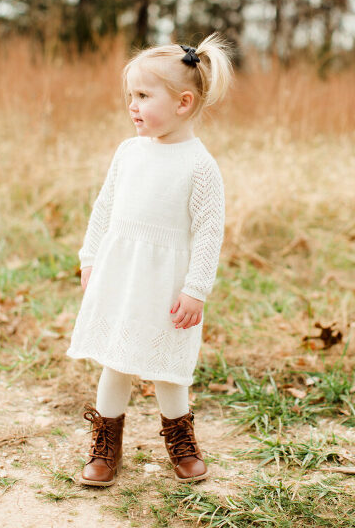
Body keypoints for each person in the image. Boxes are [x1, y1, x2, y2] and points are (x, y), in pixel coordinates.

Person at [67, 33, 234, 486]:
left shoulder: (200, 166)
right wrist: (89, 258)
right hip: (122, 275)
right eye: (130, 96)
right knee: (116, 359)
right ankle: (106, 444)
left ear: (183, 103)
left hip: (167, 286)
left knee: (168, 366)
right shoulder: (129, 152)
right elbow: (104, 209)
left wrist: (196, 289)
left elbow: (209, 234)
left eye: (143, 96)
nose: (132, 106)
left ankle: (180, 441)